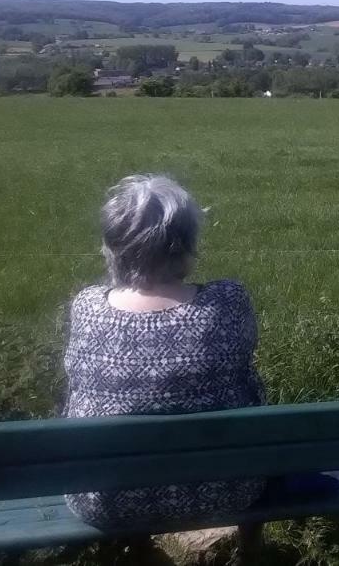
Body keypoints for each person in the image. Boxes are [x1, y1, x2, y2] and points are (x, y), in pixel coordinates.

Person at [63, 174, 266, 527]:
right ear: (185, 244)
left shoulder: (87, 308)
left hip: (103, 498)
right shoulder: (227, 302)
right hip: (224, 490)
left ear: (113, 246)